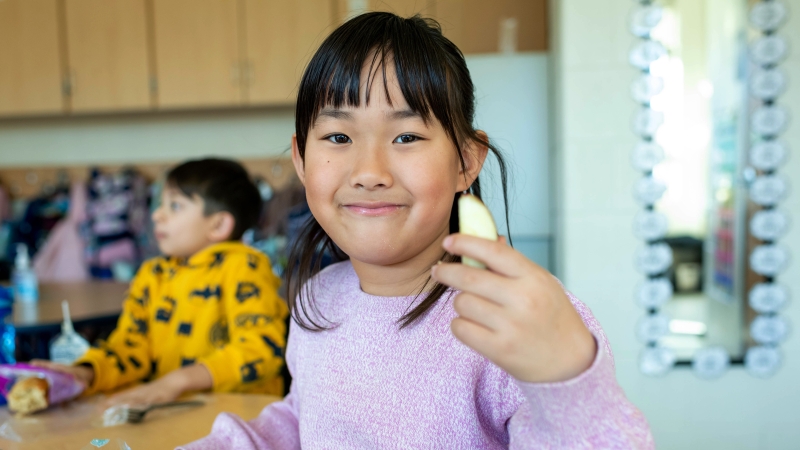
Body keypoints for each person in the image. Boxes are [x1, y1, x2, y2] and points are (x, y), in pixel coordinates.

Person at [183, 12, 653, 449]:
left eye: (406, 136)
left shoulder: (512, 316)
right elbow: (302, 420)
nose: (369, 172)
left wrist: (564, 376)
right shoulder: (318, 297)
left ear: (466, 161)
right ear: (302, 160)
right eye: (339, 137)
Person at [34, 158, 288, 405]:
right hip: (172, 415)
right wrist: (85, 373)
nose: (157, 215)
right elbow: (131, 349)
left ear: (219, 224)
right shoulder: (152, 274)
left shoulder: (246, 267)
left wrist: (177, 381)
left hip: (240, 418)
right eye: (160, 204)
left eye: (174, 206)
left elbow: (260, 351)